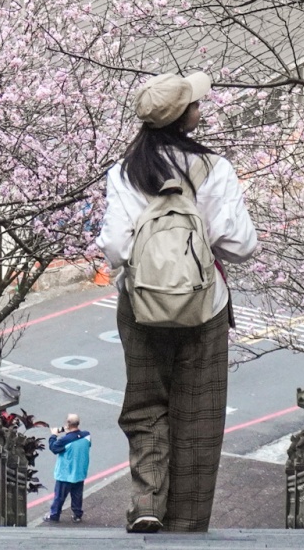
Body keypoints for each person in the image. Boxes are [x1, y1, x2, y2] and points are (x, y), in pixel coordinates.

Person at [99, 71, 259, 533]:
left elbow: (114, 247)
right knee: (198, 417)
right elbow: (242, 245)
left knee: (146, 403)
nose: (200, 108)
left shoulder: (125, 171)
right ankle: (186, 526)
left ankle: (146, 500)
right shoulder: (213, 168)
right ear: (184, 118)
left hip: (141, 304)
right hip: (202, 307)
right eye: (195, 103)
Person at [45, 413, 91, 522]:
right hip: (79, 472)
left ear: (68, 424)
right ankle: (77, 515)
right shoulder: (87, 435)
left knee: (59, 496)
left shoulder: (64, 441)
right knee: (77, 495)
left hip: (65, 474)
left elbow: (53, 448)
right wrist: (69, 433)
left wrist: (53, 435)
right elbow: (77, 438)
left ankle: (54, 515)